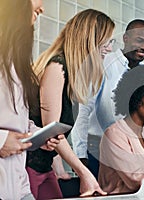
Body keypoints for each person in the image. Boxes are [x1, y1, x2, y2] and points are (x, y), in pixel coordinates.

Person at [26, 9, 114, 199]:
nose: (109, 48)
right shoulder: (57, 68)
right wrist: (84, 173)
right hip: (26, 169)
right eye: (106, 42)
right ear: (89, 39)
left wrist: (60, 171)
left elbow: (49, 133)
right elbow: (53, 132)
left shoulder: (72, 75)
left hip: (43, 167)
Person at [71, 19, 144, 178]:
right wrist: (80, 156)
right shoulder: (104, 64)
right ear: (125, 38)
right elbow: (82, 110)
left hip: (133, 151)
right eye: (140, 40)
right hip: (98, 151)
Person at [0, 0, 61, 199]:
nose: (42, 9)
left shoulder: (15, 62)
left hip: (17, 186)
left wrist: (37, 136)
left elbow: (15, 120)